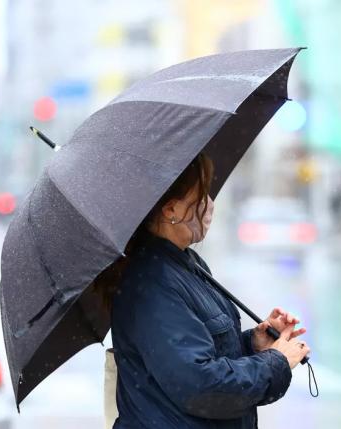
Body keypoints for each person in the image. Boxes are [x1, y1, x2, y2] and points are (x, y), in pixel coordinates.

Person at [94, 152, 311, 428]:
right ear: (170, 209)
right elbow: (201, 387)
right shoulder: (152, 281)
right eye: (202, 194)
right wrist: (275, 362)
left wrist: (254, 344)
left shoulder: (185, 264)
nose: (210, 204)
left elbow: (195, 352)